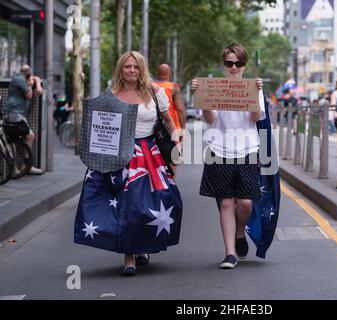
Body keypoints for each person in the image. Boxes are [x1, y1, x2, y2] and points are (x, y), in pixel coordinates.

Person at [74, 51, 183, 276]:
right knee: (128, 203)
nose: (131, 70)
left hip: (150, 154)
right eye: (127, 67)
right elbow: (99, 128)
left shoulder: (155, 93)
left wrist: (177, 146)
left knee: (152, 204)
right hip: (119, 155)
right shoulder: (110, 95)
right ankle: (130, 257)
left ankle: (142, 245)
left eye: (135, 67)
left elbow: (169, 122)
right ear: (121, 70)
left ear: (141, 69)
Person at [191, 42, 266, 269]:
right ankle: (230, 253)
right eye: (229, 63)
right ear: (224, 65)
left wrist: (256, 93)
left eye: (238, 63)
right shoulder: (214, 87)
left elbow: (255, 119)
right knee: (225, 203)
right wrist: (200, 95)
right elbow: (211, 119)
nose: (234, 67)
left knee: (245, 204)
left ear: (244, 66)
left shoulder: (254, 87)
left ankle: (240, 231)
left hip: (247, 149)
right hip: (219, 149)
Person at [3, 64, 43, 174]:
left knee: (14, 140)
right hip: (15, 115)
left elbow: (36, 82)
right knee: (29, 136)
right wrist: (31, 84)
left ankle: (17, 168)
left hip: (15, 114)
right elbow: (29, 95)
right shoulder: (20, 79)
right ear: (27, 73)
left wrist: (37, 81)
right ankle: (26, 165)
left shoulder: (19, 78)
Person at [154, 64, 186, 174]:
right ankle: (169, 184)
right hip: (172, 128)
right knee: (172, 159)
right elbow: (181, 109)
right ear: (169, 74)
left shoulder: (151, 87)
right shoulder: (174, 88)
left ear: (157, 73)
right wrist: (182, 129)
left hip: (155, 128)